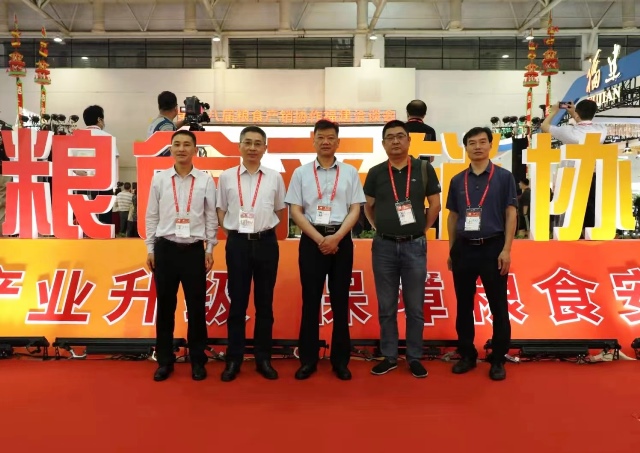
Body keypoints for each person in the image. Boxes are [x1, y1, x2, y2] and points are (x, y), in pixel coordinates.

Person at [285, 119, 365, 381]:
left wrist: (337, 237)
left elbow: (355, 208)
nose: (326, 142)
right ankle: (308, 359)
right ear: (314, 141)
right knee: (311, 301)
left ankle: (340, 361)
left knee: (340, 301)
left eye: (331, 137)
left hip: (341, 240)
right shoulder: (301, 173)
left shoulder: (350, 172)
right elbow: (295, 210)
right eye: (321, 137)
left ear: (338, 142)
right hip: (312, 240)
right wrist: (320, 239)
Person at [363, 120, 441, 378]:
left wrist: (421, 230)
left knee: (415, 307)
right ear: (383, 143)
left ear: (408, 141)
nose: (395, 141)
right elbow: (368, 206)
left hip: (414, 245)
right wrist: (379, 227)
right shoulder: (376, 172)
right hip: (383, 247)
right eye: (390, 137)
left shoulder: (424, 168)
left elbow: (435, 204)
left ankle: (414, 357)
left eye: (400, 136)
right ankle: (389, 356)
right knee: (386, 306)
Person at [145, 130, 218, 382]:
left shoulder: (206, 180)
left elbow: (211, 217)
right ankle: (164, 360)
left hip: (194, 251)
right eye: (177, 144)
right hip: (165, 249)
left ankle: (198, 360)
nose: (181, 149)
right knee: (165, 307)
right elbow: (151, 215)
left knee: (197, 308)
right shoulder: (160, 179)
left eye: (187, 144)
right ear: (171, 149)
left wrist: (209, 249)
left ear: (195, 150)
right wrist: (150, 248)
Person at [446, 126, 517, 381]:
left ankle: (498, 358)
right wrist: (452, 249)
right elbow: (453, 216)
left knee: (498, 306)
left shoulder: (504, 177)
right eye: (472, 143)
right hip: (464, 248)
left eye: (482, 142)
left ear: (490, 146)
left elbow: (511, 213)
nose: (477, 146)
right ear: (465, 148)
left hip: (493, 247)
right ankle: (467, 354)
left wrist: (506, 249)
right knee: (464, 305)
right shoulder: (457, 180)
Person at [216, 126, 286, 382]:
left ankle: (263, 358)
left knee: (265, 303)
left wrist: (260, 228)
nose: (253, 148)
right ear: (239, 146)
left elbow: (279, 210)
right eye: (248, 142)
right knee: (237, 303)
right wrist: (234, 233)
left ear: (265, 148)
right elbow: (221, 210)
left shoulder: (274, 177)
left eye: (258, 143)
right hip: (238, 244)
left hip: (266, 243)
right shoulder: (226, 177)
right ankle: (233, 358)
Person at [541, 99, 607, 235]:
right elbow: (584, 125)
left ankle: (573, 233)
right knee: (591, 208)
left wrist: (554, 111)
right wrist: (574, 114)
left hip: (572, 177)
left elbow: (544, 126)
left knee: (572, 208)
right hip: (593, 175)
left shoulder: (568, 132)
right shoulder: (602, 130)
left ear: (577, 114)